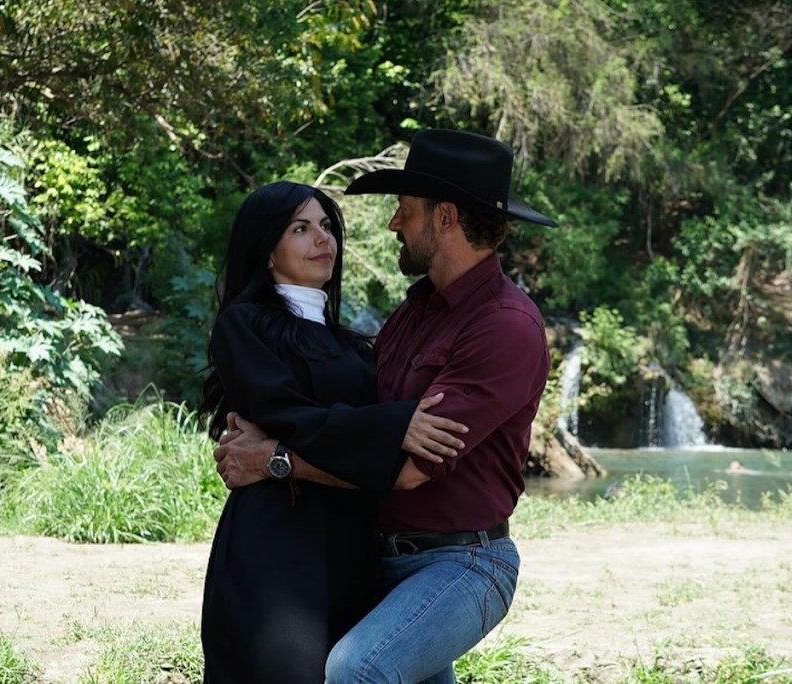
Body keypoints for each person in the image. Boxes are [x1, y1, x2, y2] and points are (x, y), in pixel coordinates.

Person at [215, 128, 557, 683]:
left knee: (358, 671)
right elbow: (353, 419)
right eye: (301, 227)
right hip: (375, 560)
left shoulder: (503, 326)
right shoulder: (413, 312)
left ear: (444, 218)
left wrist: (274, 458)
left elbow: (406, 470)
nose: (394, 223)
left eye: (404, 209)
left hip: (460, 563)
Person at [197, 180, 468, 683]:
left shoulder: (352, 344)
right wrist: (396, 427)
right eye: (300, 228)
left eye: (326, 226)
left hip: (352, 544)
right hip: (278, 541)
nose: (322, 239)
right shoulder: (244, 324)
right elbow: (283, 412)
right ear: (267, 250)